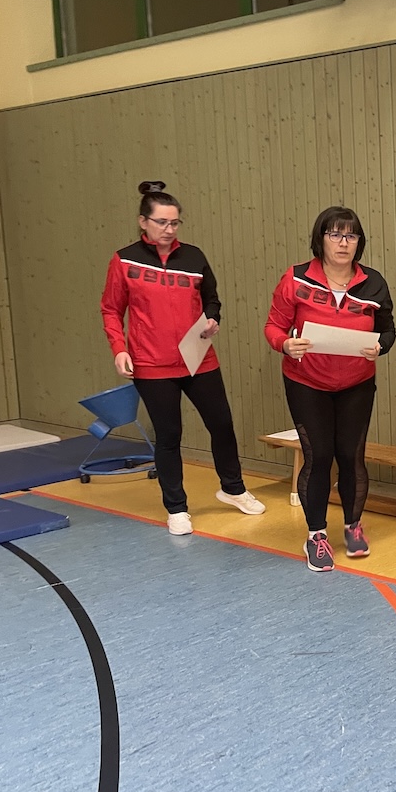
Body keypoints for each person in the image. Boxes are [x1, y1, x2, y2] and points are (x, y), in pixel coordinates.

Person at [100, 181, 266, 535]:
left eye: (175, 222)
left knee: (221, 425)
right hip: (151, 365)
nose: (169, 229)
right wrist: (119, 348)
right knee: (169, 435)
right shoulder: (124, 260)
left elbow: (212, 299)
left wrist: (213, 319)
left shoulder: (194, 257)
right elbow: (111, 309)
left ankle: (233, 488)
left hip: (198, 358)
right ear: (143, 221)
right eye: (161, 222)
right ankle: (176, 508)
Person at [264, 206, 395, 572]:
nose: (343, 242)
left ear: (359, 242)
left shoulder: (373, 283)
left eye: (350, 235)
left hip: (357, 383)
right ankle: (316, 535)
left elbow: (388, 330)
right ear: (320, 239)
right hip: (307, 382)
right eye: (335, 234)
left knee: (351, 456)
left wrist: (381, 346)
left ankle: (353, 526)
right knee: (319, 456)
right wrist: (285, 344)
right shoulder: (296, 278)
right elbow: (274, 326)